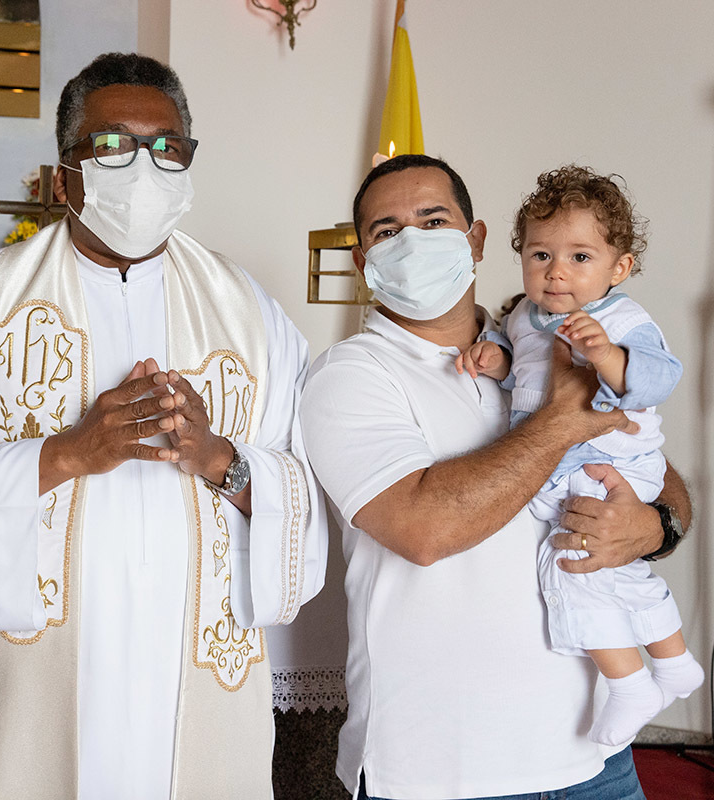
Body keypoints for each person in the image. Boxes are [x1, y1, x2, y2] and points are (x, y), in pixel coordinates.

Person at [0, 52, 327, 799]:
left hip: (188, 665)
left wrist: (221, 457)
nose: (143, 169)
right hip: (53, 674)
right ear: (63, 175)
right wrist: (64, 454)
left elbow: (312, 490)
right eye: (111, 146)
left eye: (166, 148)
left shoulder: (249, 313)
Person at [300, 153, 692, 800]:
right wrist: (564, 417)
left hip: (594, 755)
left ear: (475, 239)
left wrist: (653, 525)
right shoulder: (351, 376)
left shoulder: (536, 341)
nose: (414, 242)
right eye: (386, 232)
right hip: (446, 768)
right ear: (362, 261)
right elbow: (422, 528)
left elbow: (652, 462)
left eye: (433, 219)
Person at [456, 165, 704, 747]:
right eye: (540, 255)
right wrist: (496, 359)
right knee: (618, 567)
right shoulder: (521, 316)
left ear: (620, 268)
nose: (557, 272)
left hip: (609, 459)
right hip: (565, 461)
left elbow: (658, 378)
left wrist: (608, 356)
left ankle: (628, 681)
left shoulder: (620, 320)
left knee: (573, 566)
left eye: (580, 258)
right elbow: (524, 364)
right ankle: (673, 660)